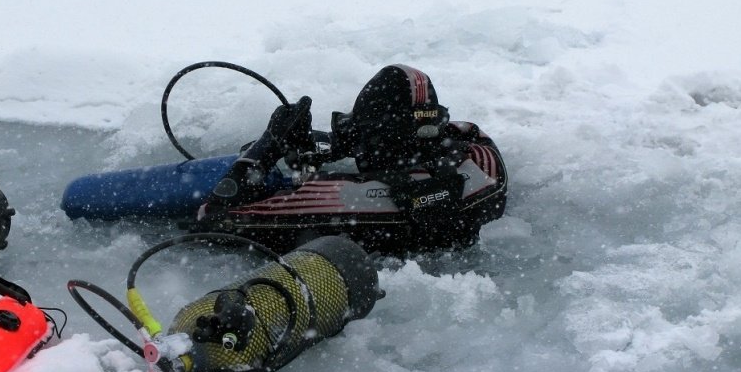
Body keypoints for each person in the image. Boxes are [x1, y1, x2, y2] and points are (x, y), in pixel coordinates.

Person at [194, 64, 507, 254]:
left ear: (375, 140)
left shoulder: (344, 198)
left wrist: (267, 147)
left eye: (362, 135)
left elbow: (215, 218)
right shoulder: (482, 166)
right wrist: (332, 145)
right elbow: (466, 132)